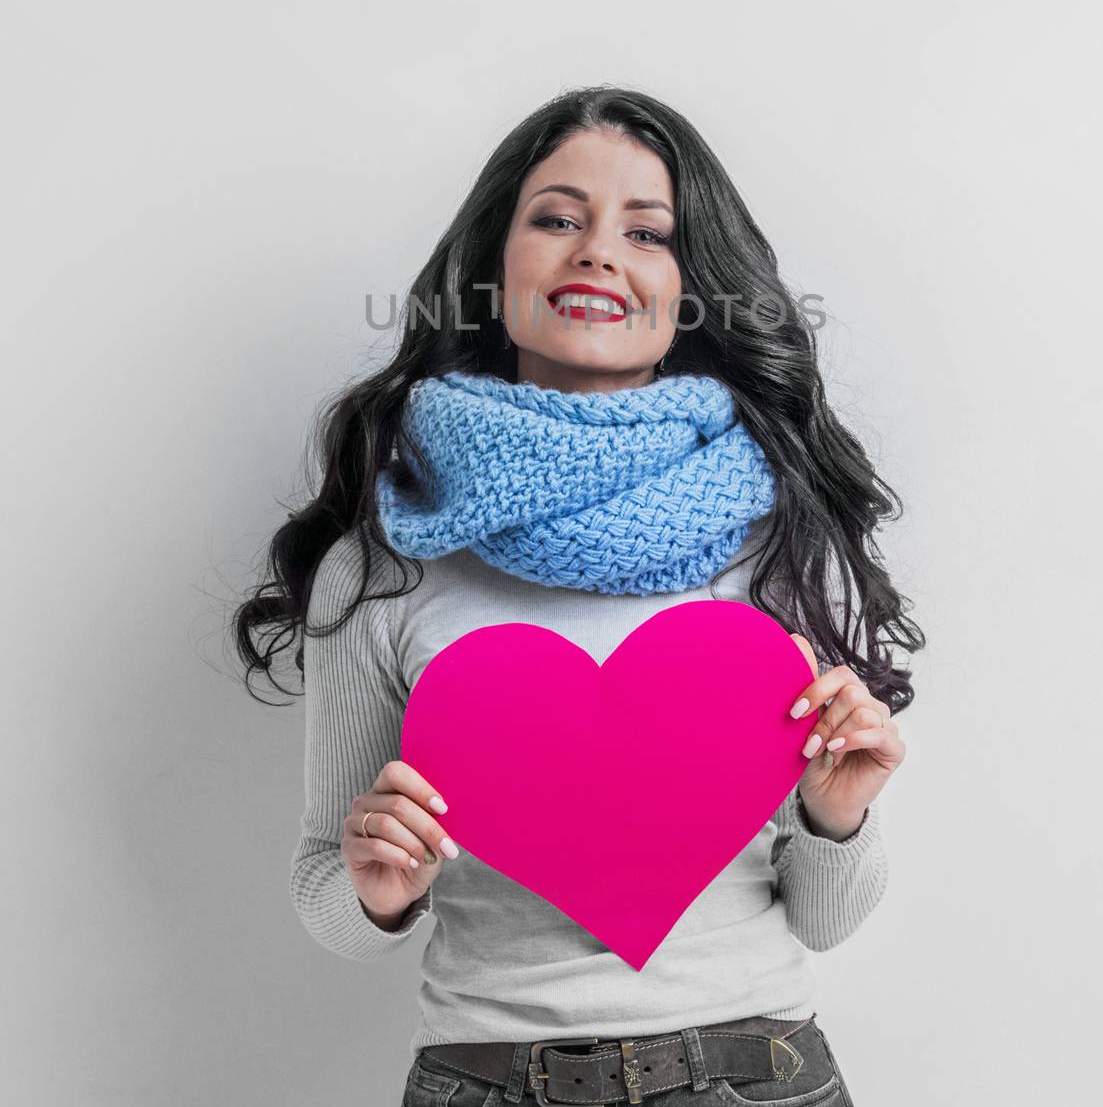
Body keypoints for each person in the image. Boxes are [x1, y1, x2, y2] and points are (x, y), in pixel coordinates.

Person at [232, 84, 923, 1105]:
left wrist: (837, 818)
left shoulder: (774, 536)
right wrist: (377, 890)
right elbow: (321, 892)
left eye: (647, 232)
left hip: (753, 1076)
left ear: (692, 287)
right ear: (491, 267)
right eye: (557, 218)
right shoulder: (388, 560)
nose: (597, 251)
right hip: (486, 1077)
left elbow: (822, 920)